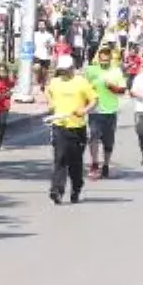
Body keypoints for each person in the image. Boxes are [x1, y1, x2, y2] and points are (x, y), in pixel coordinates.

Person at [45, 54, 96, 204]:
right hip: (59, 126)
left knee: (75, 162)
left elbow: (94, 100)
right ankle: (56, 190)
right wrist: (51, 103)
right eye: (61, 70)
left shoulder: (81, 82)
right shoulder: (55, 82)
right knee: (60, 158)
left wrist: (84, 110)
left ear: (72, 68)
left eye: (66, 70)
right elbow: (48, 91)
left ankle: (76, 188)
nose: (63, 73)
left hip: (77, 127)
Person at [83, 46, 126, 179]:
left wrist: (112, 87)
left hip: (110, 111)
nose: (104, 61)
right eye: (102, 58)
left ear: (110, 58)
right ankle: (95, 163)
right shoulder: (91, 70)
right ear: (98, 57)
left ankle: (106, 164)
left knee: (108, 141)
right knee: (93, 136)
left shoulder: (116, 72)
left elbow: (123, 90)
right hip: (95, 110)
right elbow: (83, 87)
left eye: (107, 59)